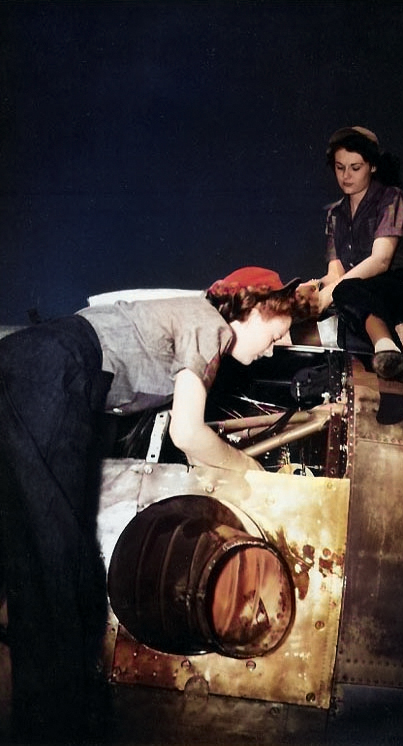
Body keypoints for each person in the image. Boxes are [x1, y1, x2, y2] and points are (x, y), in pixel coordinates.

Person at [0, 265, 309, 743]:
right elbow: (188, 433)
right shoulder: (210, 325)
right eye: (278, 332)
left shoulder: (190, 319)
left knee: (46, 566)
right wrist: (250, 474)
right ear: (254, 307)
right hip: (56, 372)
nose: (276, 348)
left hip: (36, 367)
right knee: (56, 576)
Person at [318, 126, 403, 381]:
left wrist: (332, 290)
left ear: (372, 166)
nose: (346, 175)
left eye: (355, 167)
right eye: (339, 167)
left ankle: (388, 351)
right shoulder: (335, 214)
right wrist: (312, 292)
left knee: (343, 290)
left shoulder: (391, 198)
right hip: (360, 292)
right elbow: (335, 272)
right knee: (332, 294)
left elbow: (380, 261)